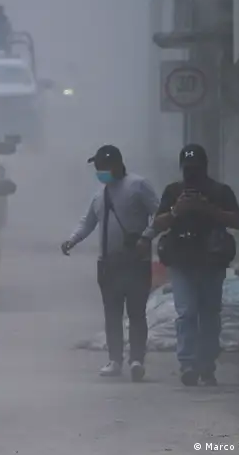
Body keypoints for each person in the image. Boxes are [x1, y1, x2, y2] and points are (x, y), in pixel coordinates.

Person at [144, 144, 239, 387]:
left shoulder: (220, 191)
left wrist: (208, 209)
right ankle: (188, 364)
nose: (191, 174)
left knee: (209, 315)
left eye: (195, 169)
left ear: (205, 168)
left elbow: (238, 221)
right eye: (187, 169)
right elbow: (157, 224)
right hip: (181, 262)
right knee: (186, 313)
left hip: (212, 261)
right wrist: (177, 211)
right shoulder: (173, 191)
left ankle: (207, 366)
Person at [61, 145, 160, 381]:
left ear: (115, 165)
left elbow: (159, 213)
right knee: (112, 314)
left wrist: (146, 236)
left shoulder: (138, 185)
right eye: (97, 168)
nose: (99, 172)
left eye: (102, 167)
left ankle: (136, 359)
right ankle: (115, 359)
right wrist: (72, 240)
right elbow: (88, 222)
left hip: (136, 261)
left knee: (137, 313)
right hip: (108, 263)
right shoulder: (100, 194)